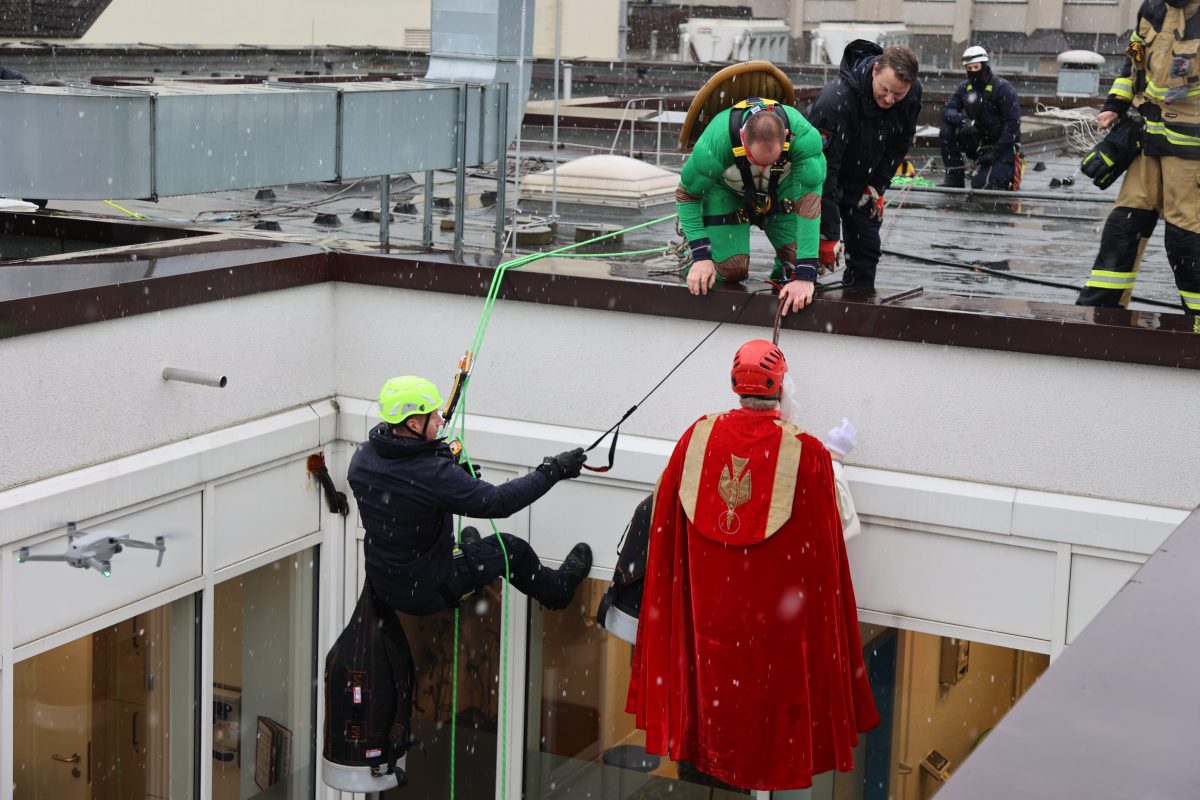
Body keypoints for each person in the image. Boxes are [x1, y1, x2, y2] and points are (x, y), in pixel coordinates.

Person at [625, 340, 879, 791]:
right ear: (780, 389)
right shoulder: (807, 452)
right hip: (770, 642)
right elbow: (831, 535)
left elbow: (665, 525)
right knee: (768, 726)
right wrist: (834, 462)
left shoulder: (696, 437)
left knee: (715, 725)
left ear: (733, 385)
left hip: (708, 637)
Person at [348, 375, 594, 615]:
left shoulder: (362, 458)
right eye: (433, 415)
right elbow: (498, 502)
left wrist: (451, 477)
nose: (440, 420)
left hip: (385, 580)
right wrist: (553, 472)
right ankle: (558, 592)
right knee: (511, 550)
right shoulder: (433, 475)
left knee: (467, 546)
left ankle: (469, 558)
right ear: (413, 425)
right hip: (426, 589)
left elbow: (407, 497)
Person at [1077, 0, 1200, 314]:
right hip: (1148, 141)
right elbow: (1134, 62)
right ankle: (1100, 313)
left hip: (1191, 152)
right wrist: (1114, 105)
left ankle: (1197, 320)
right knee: (1123, 226)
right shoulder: (1152, 9)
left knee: (1186, 238)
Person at [678, 97, 827, 316]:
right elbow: (686, 196)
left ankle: (783, 280)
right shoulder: (716, 142)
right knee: (731, 268)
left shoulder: (804, 138)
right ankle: (692, 266)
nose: (762, 167)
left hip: (779, 193)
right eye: (754, 159)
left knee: (799, 265)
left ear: (786, 136)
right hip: (728, 192)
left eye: (772, 161)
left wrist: (805, 277)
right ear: (741, 138)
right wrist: (702, 256)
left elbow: (809, 206)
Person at [805, 41, 922, 289]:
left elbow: (899, 144)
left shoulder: (911, 94)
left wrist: (876, 187)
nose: (890, 99)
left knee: (867, 253)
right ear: (875, 70)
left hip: (862, 182)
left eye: (898, 94)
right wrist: (828, 234)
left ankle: (856, 307)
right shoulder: (835, 102)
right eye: (885, 89)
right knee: (805, 258)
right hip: (819, 182)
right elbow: (821, 171)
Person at [939, 46, 1021, 190]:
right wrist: (963, 121)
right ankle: (954, 177)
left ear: (984, 65)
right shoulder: (965, 88)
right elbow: (947, 110)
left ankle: (997, 171)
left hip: (1002, 148)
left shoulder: (1003, 88)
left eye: (976, 67)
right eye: (969, 68)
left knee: (982, 186)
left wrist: (995, 152)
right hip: (977, 141)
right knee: (947, 130)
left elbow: (1013, 123)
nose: (972, 71)